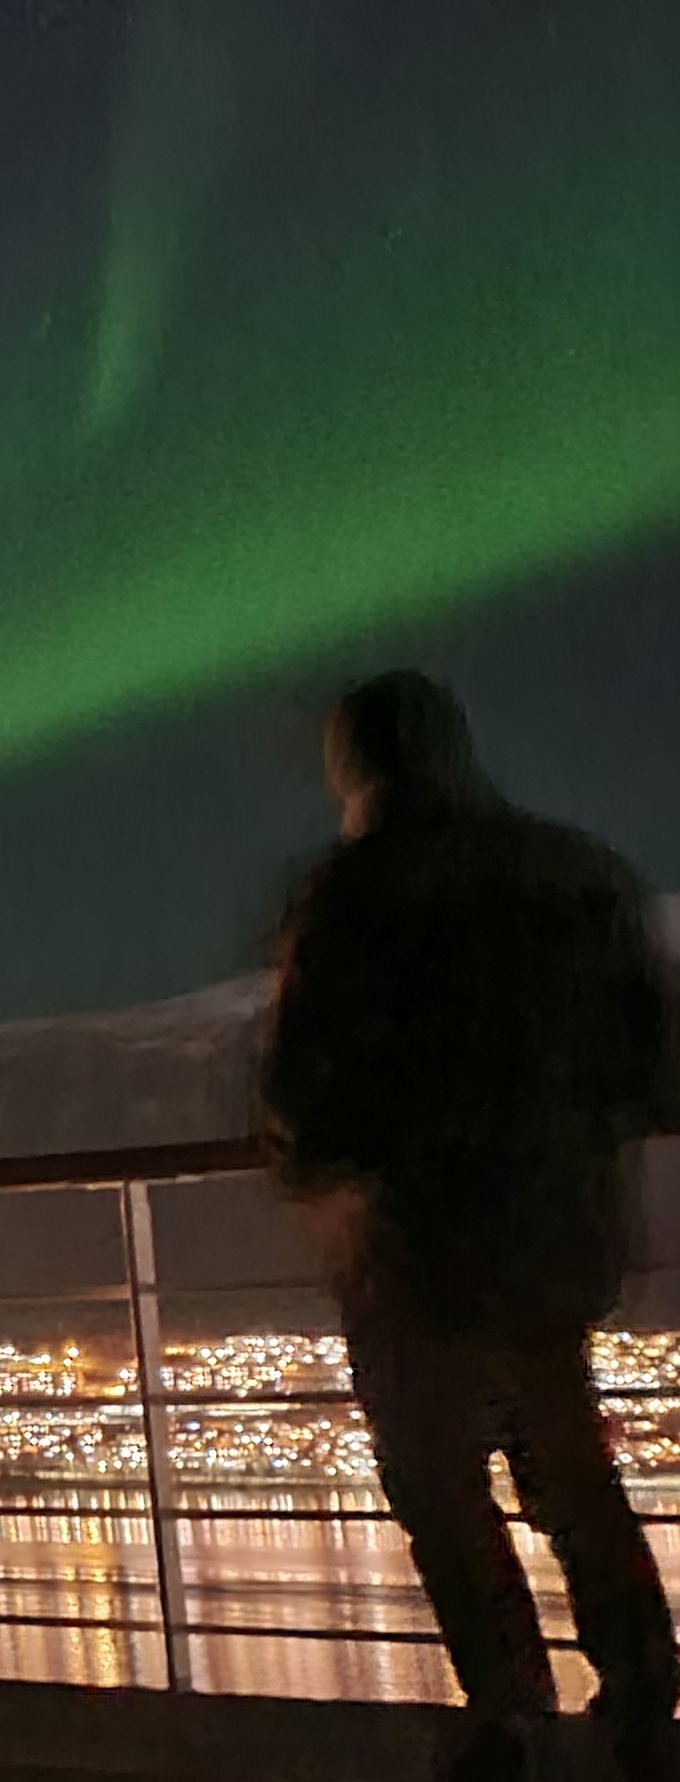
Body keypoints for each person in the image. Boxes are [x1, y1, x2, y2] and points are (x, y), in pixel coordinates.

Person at [263, 670, 676, 1782]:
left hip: (419, 1249)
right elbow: (655, 1067)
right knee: (573, 1478)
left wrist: (332, 1179)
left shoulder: (353, 896)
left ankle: (509, 1712)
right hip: (558, 1244)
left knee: (444, 1492)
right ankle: (642, 1705)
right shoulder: (579, 873)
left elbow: (304, 1089)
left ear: (361, 766)